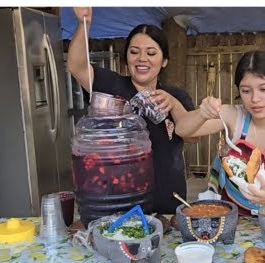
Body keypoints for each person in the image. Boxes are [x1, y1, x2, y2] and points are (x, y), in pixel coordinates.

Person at [68, 9, 196, 214]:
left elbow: (192, 137)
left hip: (167, 200)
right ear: (126, 57)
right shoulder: (110, 85)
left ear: (164, 61)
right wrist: (84, 23)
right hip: (117, 201)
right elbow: (76, 66)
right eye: (134, 52)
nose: (142, 59)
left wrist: (173, 104)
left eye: (151, 53)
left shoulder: (175, 95)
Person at [173, 50, 265, 214]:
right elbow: (181, 130)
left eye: (264, 89)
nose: (255, 99)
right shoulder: (234, 116)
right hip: (231, 216)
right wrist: (202, 113)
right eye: (246, 91)